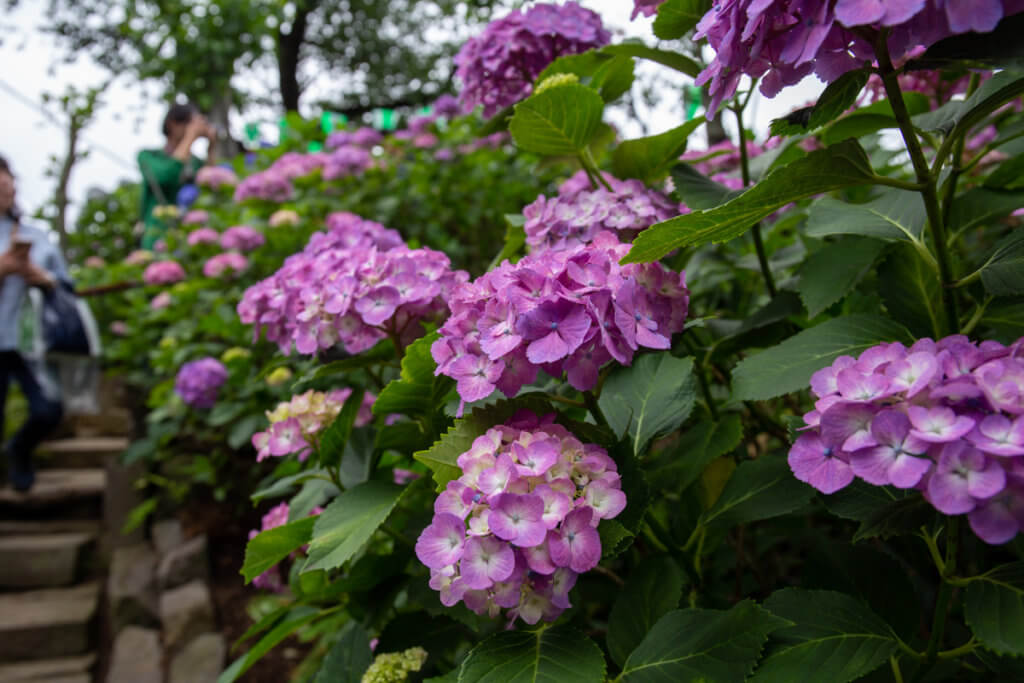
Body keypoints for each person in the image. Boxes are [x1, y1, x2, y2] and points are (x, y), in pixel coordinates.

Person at [0, 155, 69, 491]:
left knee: (49, 410)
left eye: (6, 175)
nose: (3, 182)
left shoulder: (36, 236)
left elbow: (67, 283)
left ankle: (20, 449)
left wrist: (42, 277)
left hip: (31, 343)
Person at [138, 102, 218, 249]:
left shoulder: (196, 163)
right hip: (158, 238)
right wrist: (190, 137)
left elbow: (210, 185)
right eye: (189, 123)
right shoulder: (148, 156)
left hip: (191, 237)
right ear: (172, 124)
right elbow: (164, 177)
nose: (193, 128)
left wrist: (211, 148)